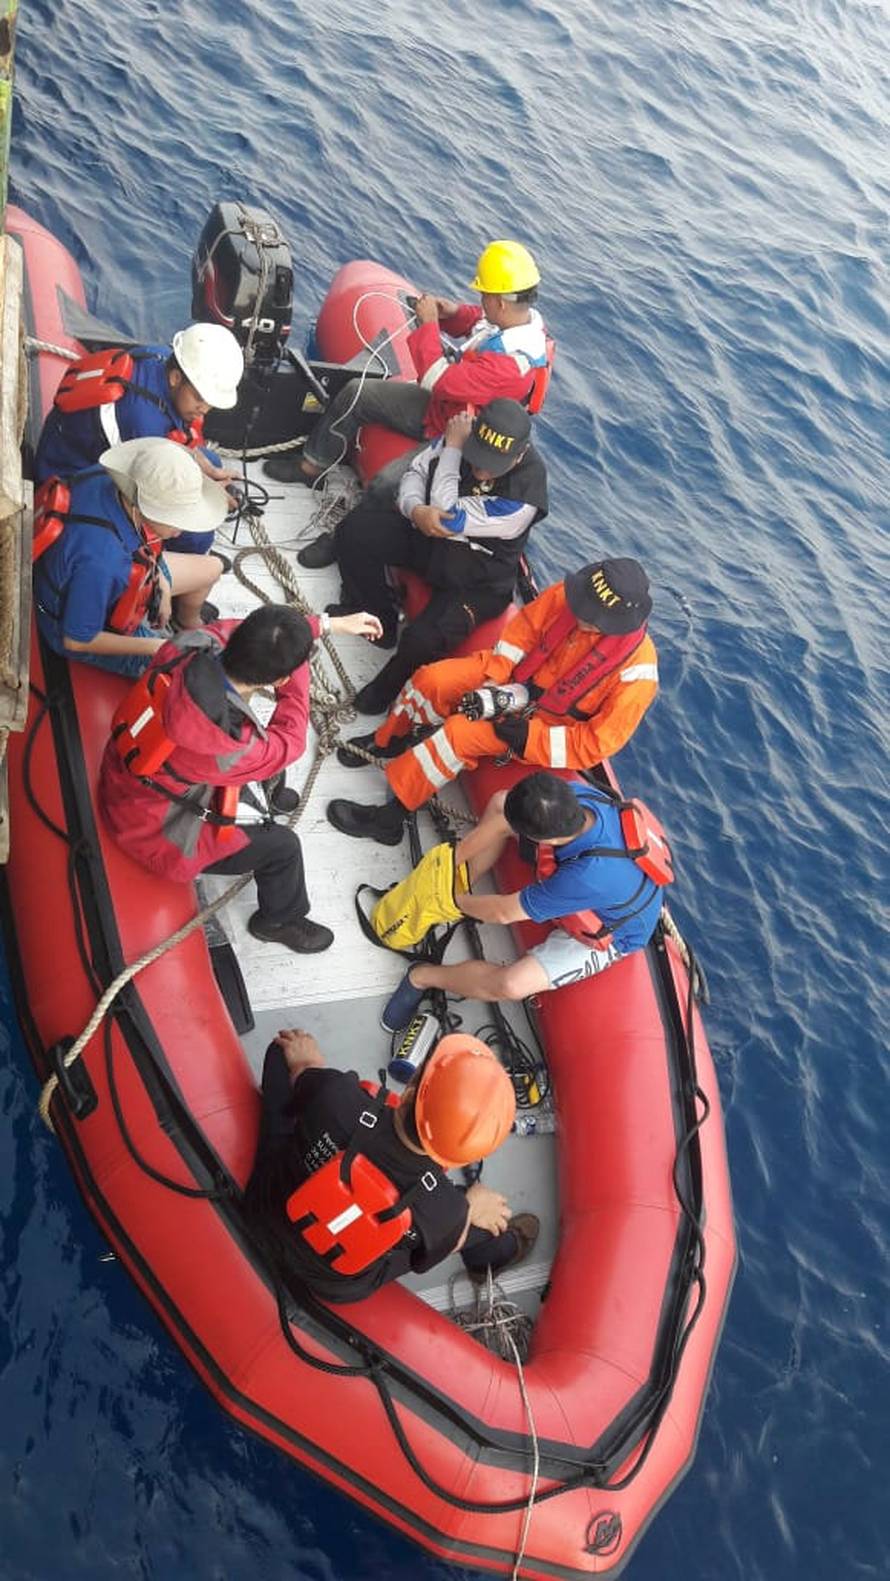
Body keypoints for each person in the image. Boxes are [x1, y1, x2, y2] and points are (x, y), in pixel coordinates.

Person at [99, 599, 383, 953]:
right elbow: (290, 740)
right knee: (284, 848)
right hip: (153, 834)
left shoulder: (188, 644)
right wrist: (304, 651)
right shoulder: (227, 746)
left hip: (131, 776)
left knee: (262, 763)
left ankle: (265, 801)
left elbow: (237, 630)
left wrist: (323, 625)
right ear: (278, 679)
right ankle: (278, 920)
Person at [327, 557, 658, 846]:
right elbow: (521, 633)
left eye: (593, 618)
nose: (582, 616)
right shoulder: (572, 595)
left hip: (540, 726)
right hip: (508, 678)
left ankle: (389, 820)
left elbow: (595, 744)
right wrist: (494, 682)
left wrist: (528, 737)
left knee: (458, 735)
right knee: (431, 680)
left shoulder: (637, 674)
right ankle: (389, 740)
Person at [274, 240, 551, 567]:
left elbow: (437, 379)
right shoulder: (520, 320)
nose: (481, 300)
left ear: (501, 302)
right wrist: (453, 314)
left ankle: (343, 537)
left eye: (484, 295)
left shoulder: (510, 366)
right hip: (443, 410)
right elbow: (479, 322)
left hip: (459, 436)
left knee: (387, 483)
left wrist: (429, 325)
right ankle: (312, 466)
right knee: (357, 393)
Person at [243, 1027, 540, 1303]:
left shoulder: (336, 1096)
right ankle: (495, 1252)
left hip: (267, 1206)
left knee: (282, 1052)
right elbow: (432, 1254)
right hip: (334, 1281)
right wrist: (468, 1211)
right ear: (464, 1157)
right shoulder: (446, 1211)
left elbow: (304, 1073)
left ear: (408, 1093)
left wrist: (308, 1066)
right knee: (482, 1218)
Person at [379, 773, 668, 1031]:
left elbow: (503, 912)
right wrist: (454, 860)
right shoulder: (576, 796)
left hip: (614, 932)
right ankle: (462, 874)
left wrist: (452, 901)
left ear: (547, 839)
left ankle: (421, 977)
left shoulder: (586, 877)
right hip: (603, 878)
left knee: (513, 984)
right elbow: (502, 809)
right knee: (500, 804)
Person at [330, 399, 549, 716]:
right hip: (431, 540)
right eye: (478, 456)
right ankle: (378, 616)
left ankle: (383, 692)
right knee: (355, 531)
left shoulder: (521, 498)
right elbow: (417, 471)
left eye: (492, 464)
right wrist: (415, 509)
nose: (482, 469)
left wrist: (454, 450)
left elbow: (446, 514)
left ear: (520, 454)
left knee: (422, 640)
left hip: (478, 579)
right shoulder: (459, 432)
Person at [35, 323, 244, 554]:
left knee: (212, 461)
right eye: (199, 398)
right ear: (176, 378)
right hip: (69, 474)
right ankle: (164, 566)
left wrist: (210, 473)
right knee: (198, 538)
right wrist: (212, 496)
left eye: (210, 403)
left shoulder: (161, 358)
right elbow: (153, 493)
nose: (204, 409)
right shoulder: (140, 419)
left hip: (110, 447)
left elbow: (175, 442)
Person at [33, 437, 228, 677]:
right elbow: (76, 640)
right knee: (190, 673)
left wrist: (162, 585)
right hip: (86, 628)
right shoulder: (104, 563)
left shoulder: (110, 482)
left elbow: (141, 545)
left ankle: (185, 622)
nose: (182, 530)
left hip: (129, 568)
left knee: (213, 568)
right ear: (142, 508)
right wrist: (159, 646)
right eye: (176, 519)